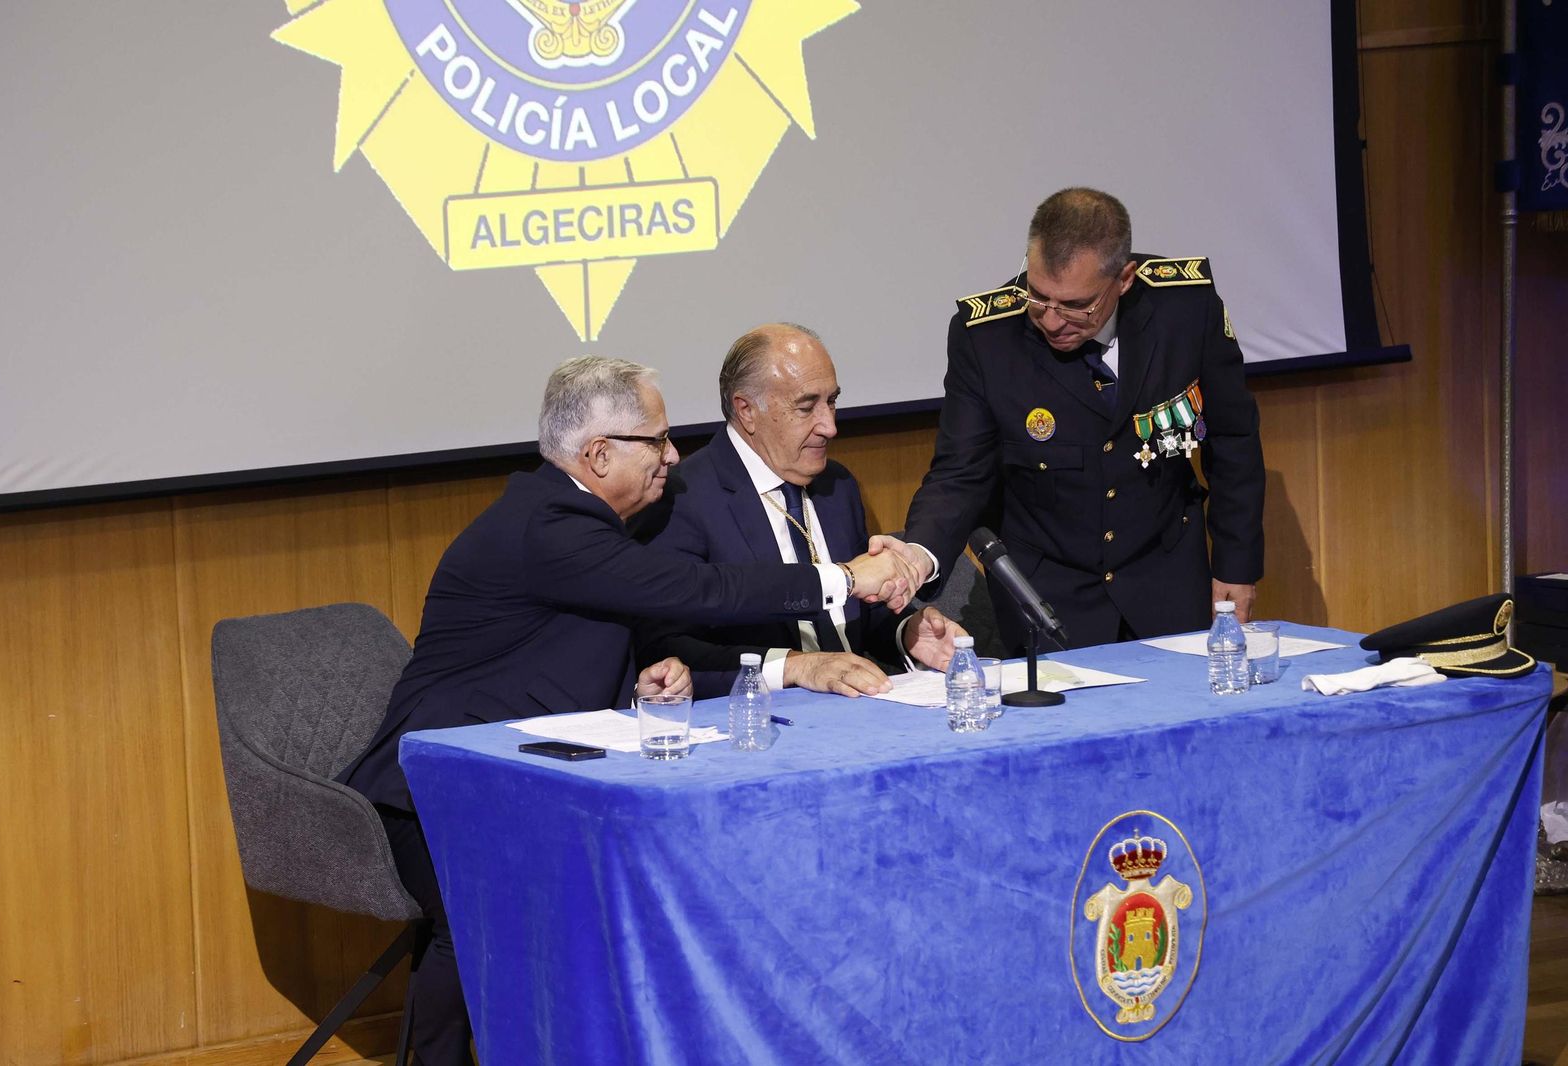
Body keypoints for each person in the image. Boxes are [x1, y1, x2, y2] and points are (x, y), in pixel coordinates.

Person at [337, 356, 918, 1065]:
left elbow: (558, 649)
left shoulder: (581, 524)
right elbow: (698, 591)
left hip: (525, 776)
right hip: (430, 791)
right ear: (599, 453)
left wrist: (644, 682)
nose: (674, 456)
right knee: (486, 910)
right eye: (659, 440)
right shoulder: (549, 523)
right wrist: (845, 578)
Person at [901, 187, 1265, 652]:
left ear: (1125, 278)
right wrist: (916, 556)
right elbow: (959, 473)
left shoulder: (1185, 310)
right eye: (1037, 296)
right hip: (1046, 596)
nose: (1051, 321)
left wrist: (1236, 566)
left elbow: (1233, 440)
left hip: (1167, 579)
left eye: (1076, 305)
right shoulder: (988, 338)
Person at [633, 324, 966, 698]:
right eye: (807, 407)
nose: (830, 426)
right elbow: (665, 654)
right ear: (747, 411)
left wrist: (906, 632)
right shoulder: (683, 497)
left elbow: (855, 614)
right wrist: (796, 666)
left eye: (832, 402)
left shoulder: (837, 485)